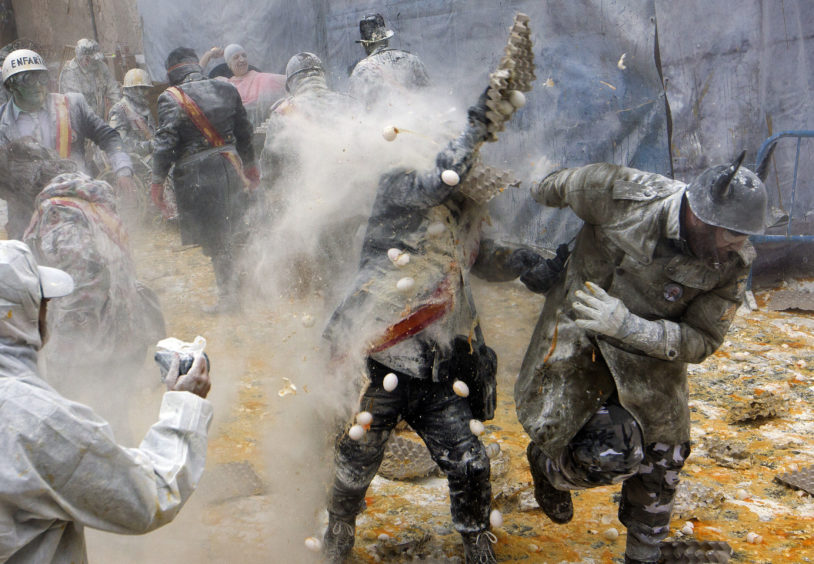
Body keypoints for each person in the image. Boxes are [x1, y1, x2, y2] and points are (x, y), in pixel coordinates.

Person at [515, 153, 768, 564]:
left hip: (649, 359)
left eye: (744, 234)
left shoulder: (730, 263)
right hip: (577, 339)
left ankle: (643, 556)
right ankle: (548, 466)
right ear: (700, 216)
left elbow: (702, 339)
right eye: (731, 233)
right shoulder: (620, 194)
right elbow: (554, 185)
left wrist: (630, 327)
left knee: (666, 455)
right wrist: (535, 202)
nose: (738, 244)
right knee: (613, 454)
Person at [321, 89, 539, 564]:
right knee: (356, 458)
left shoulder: (464, 211)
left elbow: (483, 260)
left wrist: (528, 263)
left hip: (442, 371)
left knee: (470, 462)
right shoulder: (401, 187)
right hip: (384, 360)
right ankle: (339, 527)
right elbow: (439, 179)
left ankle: (475, 536)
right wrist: (478, 125)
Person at [0, 239, 212, 563]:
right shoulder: (33, 421)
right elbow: (148, 495)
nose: (48, 311)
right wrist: (186, 403)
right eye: (41, 300)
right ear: (17, 316)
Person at [24, 170, 166, 442]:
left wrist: (63, 350)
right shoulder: (95, 207)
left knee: (69, 426)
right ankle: (128, 475)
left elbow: (84, 280)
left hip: (94, 343)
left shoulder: (58, 213)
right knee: (113, 420)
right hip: (127, 332)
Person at [151, 47, 259, 314]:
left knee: (217, 240)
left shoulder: (170, 98)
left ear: (172, 73)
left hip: (200, 177)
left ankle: (230, 300)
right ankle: (250, 289)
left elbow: (165, 143)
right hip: (232, 168)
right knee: (236, 231)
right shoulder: (226, 89)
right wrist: (251, 166)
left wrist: (156, 181)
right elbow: (245, 132)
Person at [0, 49, 135, 237]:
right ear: (10, 86)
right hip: (27, 218)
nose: (38, 85)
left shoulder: (72, 105)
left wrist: (123, 169)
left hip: (78, 205)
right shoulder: (1, 123)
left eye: (42, 78)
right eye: (28, 79)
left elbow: (109, 137)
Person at [348, 13, 430, 108]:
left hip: (382, 121)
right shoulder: (412, 59)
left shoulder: (361, 69)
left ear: (365, 44)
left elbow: (355, 108)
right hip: (415, 119)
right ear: (387, 39)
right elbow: (429, 95)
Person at [216, 43, 285, 126]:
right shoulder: (226, 85)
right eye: (236, 57)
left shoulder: (260, 78)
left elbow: (285, 80)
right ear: (229, 64)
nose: (242, 59)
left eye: (244, 55)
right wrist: (208, 56)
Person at [58, 38, 121, 120]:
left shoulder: (100, 66)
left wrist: (118, 112)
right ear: (85, 59)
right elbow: (77, 106)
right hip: (79, 124)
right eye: (93, 60)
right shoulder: (70, 73)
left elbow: (113, 90)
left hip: (99, 122)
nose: (97, 62)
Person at [108, 67, 156, 157]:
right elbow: (118, 144)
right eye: (142, 89)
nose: (146, 93)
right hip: (135, 163)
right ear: (131, 90)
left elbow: (152, 135)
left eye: (146, 89)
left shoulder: (144, 110)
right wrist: (149, 146)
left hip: (150, 158)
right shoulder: (120, 110)